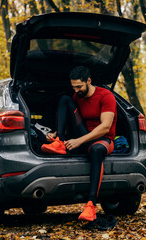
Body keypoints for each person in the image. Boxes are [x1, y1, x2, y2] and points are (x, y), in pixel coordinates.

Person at [41, 66, 117, 222]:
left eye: (79, 86)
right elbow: (72, 122)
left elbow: (106, 127)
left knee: (96, 150)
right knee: (64, 99)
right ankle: (59, 142)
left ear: (89, 81)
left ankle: (90, 205)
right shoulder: (76, 97)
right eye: (73, 87)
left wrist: (79, 141)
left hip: (103, 139)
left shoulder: (106, 95)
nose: (76, 90)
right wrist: (56, 134)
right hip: (83, 137)